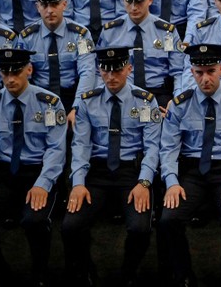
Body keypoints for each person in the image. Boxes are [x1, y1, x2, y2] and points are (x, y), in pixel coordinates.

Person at [0, 47, 67, 287]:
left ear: (29, 70)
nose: (10, 78)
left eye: (16, 72)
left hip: (37, 172)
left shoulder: (50, 104)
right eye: (5, 72)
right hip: (3, 175)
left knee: (35, 221)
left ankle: (40, 273)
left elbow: (57, 150)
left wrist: (43, 184)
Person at [159, 43, 221, 287]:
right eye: (199, 72)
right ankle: (183, 274)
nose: (205, 78)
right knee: (169, 219)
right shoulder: (180, 104)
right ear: (191, 72)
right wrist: (171, 182)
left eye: (210, 71)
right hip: (192, 172)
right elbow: (169, 148)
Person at [62, 46, 161, 286]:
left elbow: (152, 148)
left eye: (117, 70)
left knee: (140, 227)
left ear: (128, 69)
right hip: (97, 172)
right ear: (99, 71)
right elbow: (81, 146)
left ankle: (129, 271)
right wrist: (77, 183)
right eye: (105, 71)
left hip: (131, 172)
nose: (111, 77)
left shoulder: (146, 101)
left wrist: (144, 182)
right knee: (70, 226)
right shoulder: (88, 102)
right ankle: (85, 270)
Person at [21, 0, 97, 112]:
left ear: (64, 5)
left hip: (71, 97)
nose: (50, 10)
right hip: (38, 99)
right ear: (37, 7)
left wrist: (77, 107)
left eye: (55, 4)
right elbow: (22, 76)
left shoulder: (81, 35)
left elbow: (87, 72)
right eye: (44, 5)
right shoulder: (27, 37)